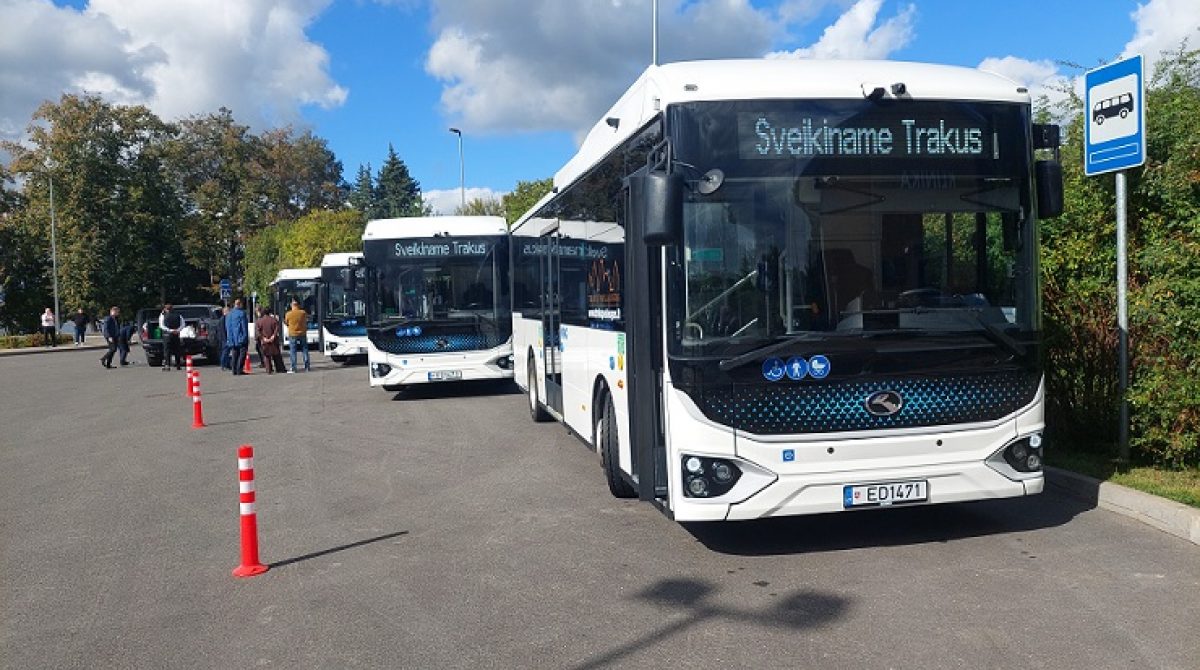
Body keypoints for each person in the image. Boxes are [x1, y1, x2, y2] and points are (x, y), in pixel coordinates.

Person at [283, 299, 310, 373]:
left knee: (293, 351)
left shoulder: (288, 314)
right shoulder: (303, 313)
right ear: (298, 305)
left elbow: (286, 322)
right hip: (302, 333)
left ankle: (294, 367)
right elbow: (307, 320)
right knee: (304, 350)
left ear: (292, 305)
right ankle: (307, 367)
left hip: (292, 334)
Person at [255, 305, 282, 374]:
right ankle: (279, 368)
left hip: (265, 341)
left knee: (267, 356)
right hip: (273, 340)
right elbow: (277, 329)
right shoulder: (274, 320)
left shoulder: (259, 321)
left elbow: (258, 331)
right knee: (276, 355)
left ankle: (269, 369)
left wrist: (263, 338)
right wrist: (273, 336)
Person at [226, 298, 249, 375]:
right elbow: (244, 327)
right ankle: (239, 369)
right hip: (240, 338)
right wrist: (245, 337)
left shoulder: (229, 314)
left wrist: (229, 338)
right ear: (240, 304)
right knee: (242, 354)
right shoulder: (242, 313)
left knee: (234, 354)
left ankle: (234, 370)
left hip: (232, 339)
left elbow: (227, 327)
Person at [158, 304, 184, 370]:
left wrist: (170, 330)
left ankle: (167, 365)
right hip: (176, 334)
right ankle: (178, 365)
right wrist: (177, 330)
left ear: (165, 309)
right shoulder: (178, 315)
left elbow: (161, 325)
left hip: (167, 335)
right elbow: (183, 324)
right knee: (177, 349)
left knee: (167, 350)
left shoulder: (163, 315)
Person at [216, 306, 232, 370]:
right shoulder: (223, 319)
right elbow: (223, 330)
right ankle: (223, 365)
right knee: (225, 352)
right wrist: (226, 339)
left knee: (226, 352)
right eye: (229, 311)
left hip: (224, 338)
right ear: (225, 312)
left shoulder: (225, 318)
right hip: (224, 338)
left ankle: (227, 365)